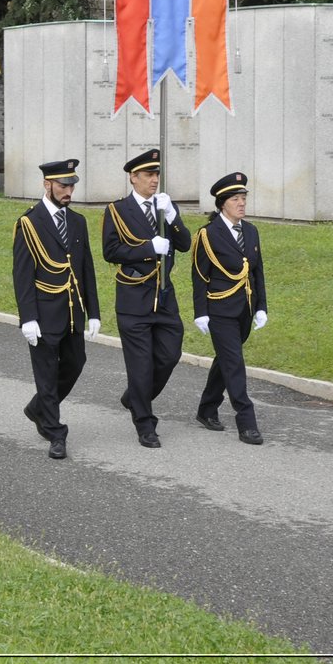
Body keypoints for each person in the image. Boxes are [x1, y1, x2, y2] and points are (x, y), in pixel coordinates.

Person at [100, 149, 192, 448]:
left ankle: (134, 397)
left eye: (157, 175)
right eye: (148, 175)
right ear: (133, 177)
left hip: (164, 297)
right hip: (134, 298)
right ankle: (145, 423)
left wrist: (173, 217)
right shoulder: (117, 210)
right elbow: (111, 251)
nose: (154, 180)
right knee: (140, 365)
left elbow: (185, 244)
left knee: (169, 354)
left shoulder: (166, 206)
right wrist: (148, 247)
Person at [13, 159, 101, 460]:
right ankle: (55, 431)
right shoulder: (29, 222)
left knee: (76, 363)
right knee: (47, 374)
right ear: (47, 184)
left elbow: (85, 268)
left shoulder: (77, 222)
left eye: (72, 185)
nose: (69, 191)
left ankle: (38, 408)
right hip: (44, 313)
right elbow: (23, 273)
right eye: (63, 185)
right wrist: (28, 318)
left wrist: (95, 312)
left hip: (73, 311)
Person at [190, 172, 268, 445]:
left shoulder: (251, 230)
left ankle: (206, 409)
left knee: (225, 360)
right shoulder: (208, 234)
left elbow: (257, 272)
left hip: (245, 308)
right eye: (236, 199)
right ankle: (247, 422)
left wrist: (261, 307)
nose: (242, 203)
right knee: (234, 363)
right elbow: (199, 275)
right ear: (223, 203)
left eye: (244, 198)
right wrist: (200, 311)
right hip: (220, 308)